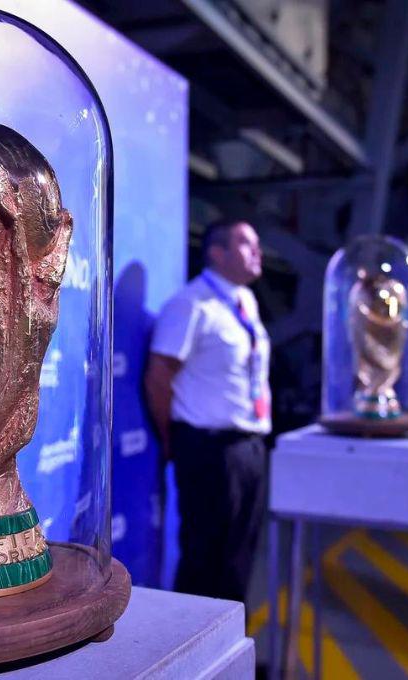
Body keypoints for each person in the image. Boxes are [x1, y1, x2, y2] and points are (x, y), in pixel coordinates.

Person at [145, 220, 271, 602]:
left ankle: (232, 645)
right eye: (247, 244)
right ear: (217, 253)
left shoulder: (243, 301)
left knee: (240, 556)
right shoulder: (190, 304)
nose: (258, 253)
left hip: (250, 445)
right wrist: (173, 438)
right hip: (209, 449)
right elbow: (159, 375)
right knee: (205, 559)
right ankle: (196, 649)